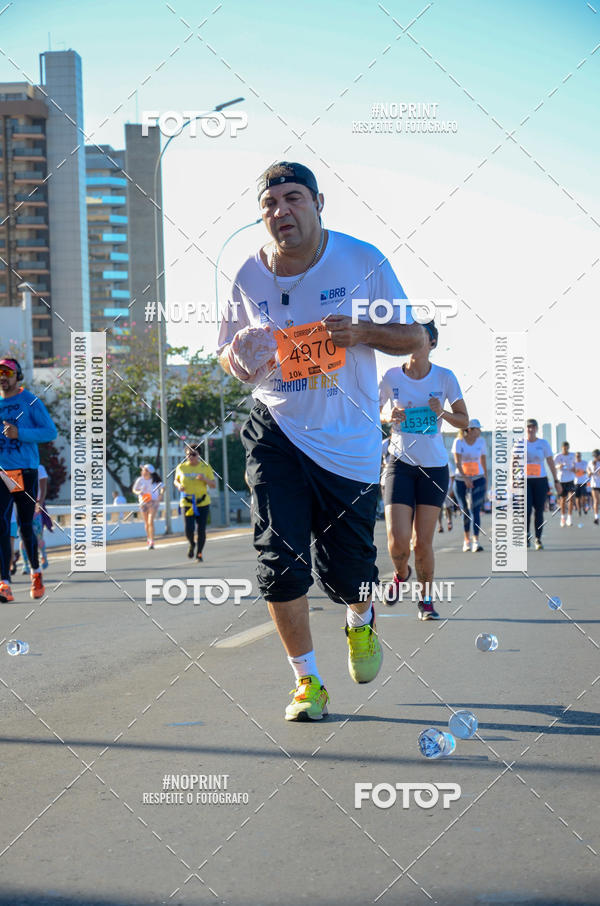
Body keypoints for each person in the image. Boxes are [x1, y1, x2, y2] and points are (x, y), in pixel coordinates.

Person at [217, 160, 425, 721]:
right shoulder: (247, 274)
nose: (281, 211)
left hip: (348, 442)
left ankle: (360, 620)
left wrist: (359, 332)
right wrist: (237, 357)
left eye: (293, 199)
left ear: (318, 202)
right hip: (276, 428)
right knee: (278, 559)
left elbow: (415, 335)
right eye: (270, 204)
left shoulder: (362, 260)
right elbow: (229, 355)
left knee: (348, 572)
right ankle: (307, 682)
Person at [379, 322, 468, 617]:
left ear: (431, 343)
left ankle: (426, 600)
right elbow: (372, 409)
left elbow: (464, 421)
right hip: (399, 464)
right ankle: (400, 574)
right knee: (398, 542)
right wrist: (387, 414)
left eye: (421, 336)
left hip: (433, 467)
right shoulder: (391, 376)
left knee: (422, 542)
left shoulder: (445, 377)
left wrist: (440, 411)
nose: (415, 341)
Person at [0, 357, 57, 602]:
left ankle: (35, 572)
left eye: (7, 372)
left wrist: (19, 433)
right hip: (2, 473)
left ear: (17, 375)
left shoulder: (29, 400)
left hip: (25, 471)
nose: (3, 377)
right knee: (1, 526)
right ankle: (4, 582)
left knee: (25, 526)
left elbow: (50, 432)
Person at [521, 419, 561, 549]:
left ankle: (538, 538)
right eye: (528, 427)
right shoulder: (520, 443)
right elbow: (514, 463)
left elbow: (550, 462)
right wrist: (512, 481)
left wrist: (556, 481)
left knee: (539, 510)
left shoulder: (543, 443)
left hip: (540, 480)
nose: (530, 429)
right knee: (526, 510)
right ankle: (526, 536)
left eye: (533, 427)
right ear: (525, 429)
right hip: (525, 480)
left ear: (537, 429)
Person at [174, 445, 216, 561]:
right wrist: (179, 486)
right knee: (189, 529)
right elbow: (176, 481)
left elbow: (213, 485)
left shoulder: (205, 467)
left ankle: (199, 553)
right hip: (187, 503)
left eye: (194, 454)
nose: (191, 457)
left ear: (199, 455)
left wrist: (204, 479)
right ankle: (192, 543)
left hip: (202, 502)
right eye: (188, 454)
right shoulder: (181, 467)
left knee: (201, 529)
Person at [452, 419, 488, 552]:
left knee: (475, 509)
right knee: (465, 510)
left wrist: (486, 479)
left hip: (478, 478)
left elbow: (483, 460)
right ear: (470, 430)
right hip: (461, 479)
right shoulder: (458, 442)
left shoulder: (481, 442)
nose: (480, 431)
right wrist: (466, 478)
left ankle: (476, 541)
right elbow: (457, 461)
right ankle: (466, 540)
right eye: (478, 429)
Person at [20, 463, 49, 573]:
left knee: (38, 535)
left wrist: (40, 504)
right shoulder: (19, 467)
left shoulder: (39, 468)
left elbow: (43, 487)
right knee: (23, 536)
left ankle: (43, 556)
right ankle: (25, 564)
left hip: (35, 505)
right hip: (22, 505)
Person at [132, 464, 164, 549]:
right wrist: (139, 492)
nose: (142, 471)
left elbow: (162, 487)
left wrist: (161, 494)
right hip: (143, 502)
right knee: (146, 523)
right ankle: (149, 538)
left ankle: (152, 541)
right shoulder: (140, 480)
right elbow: (134, 489)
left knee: (150, 521)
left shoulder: (155, 480)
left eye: (144, 470)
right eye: (142, 470)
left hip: (153, 502)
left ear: (149, 472)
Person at [554, 441, 576, 527]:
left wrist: (574, 468)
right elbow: (554, 465)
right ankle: (563, 517)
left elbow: (575, 465)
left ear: (568, 448)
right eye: (564, 448)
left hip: (570, 479)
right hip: (561, 480)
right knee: (563, 500)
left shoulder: (572, 455)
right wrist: (559, 467)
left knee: (571, 498)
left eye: (567, 448)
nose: (565, 450)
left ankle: (569, 518)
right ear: (561, 448)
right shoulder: (558, 456)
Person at [573, 452, 589, 518]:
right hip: (576, 482)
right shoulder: (573, 463)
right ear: (575, 456)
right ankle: (579, 510)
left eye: (579, 456)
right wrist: (574, 470)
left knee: (584, 496)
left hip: (583, 482)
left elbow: (588, 470)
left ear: (581, 456)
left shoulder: (585, 462)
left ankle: (584, 507)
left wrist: (583, 471)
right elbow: (571, 470)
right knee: (577, 497)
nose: (578, 457)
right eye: (577, 456)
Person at [588, 450, 600, 525]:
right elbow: (588, 473)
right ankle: (596, 517)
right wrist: (590, 472)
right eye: (594, 456)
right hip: (594, 484)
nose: (595, 458)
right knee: (596, 500)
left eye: (597, 456)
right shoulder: (590, 463)